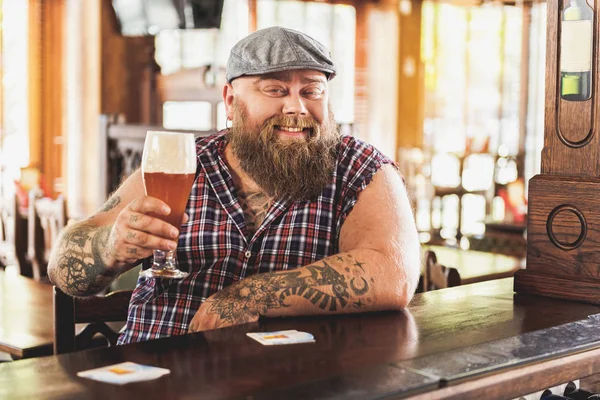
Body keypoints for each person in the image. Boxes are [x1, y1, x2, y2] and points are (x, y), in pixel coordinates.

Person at [48, 26, 421, 344]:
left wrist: (249, 295)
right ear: (230, 101)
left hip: (291, 381)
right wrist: (110, 245)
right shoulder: (181, 161)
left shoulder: (359, 167)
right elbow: (63, 266)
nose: (297, 108)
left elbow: (393, 272)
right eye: (275, 90)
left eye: (311, 91)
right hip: (151, 371)